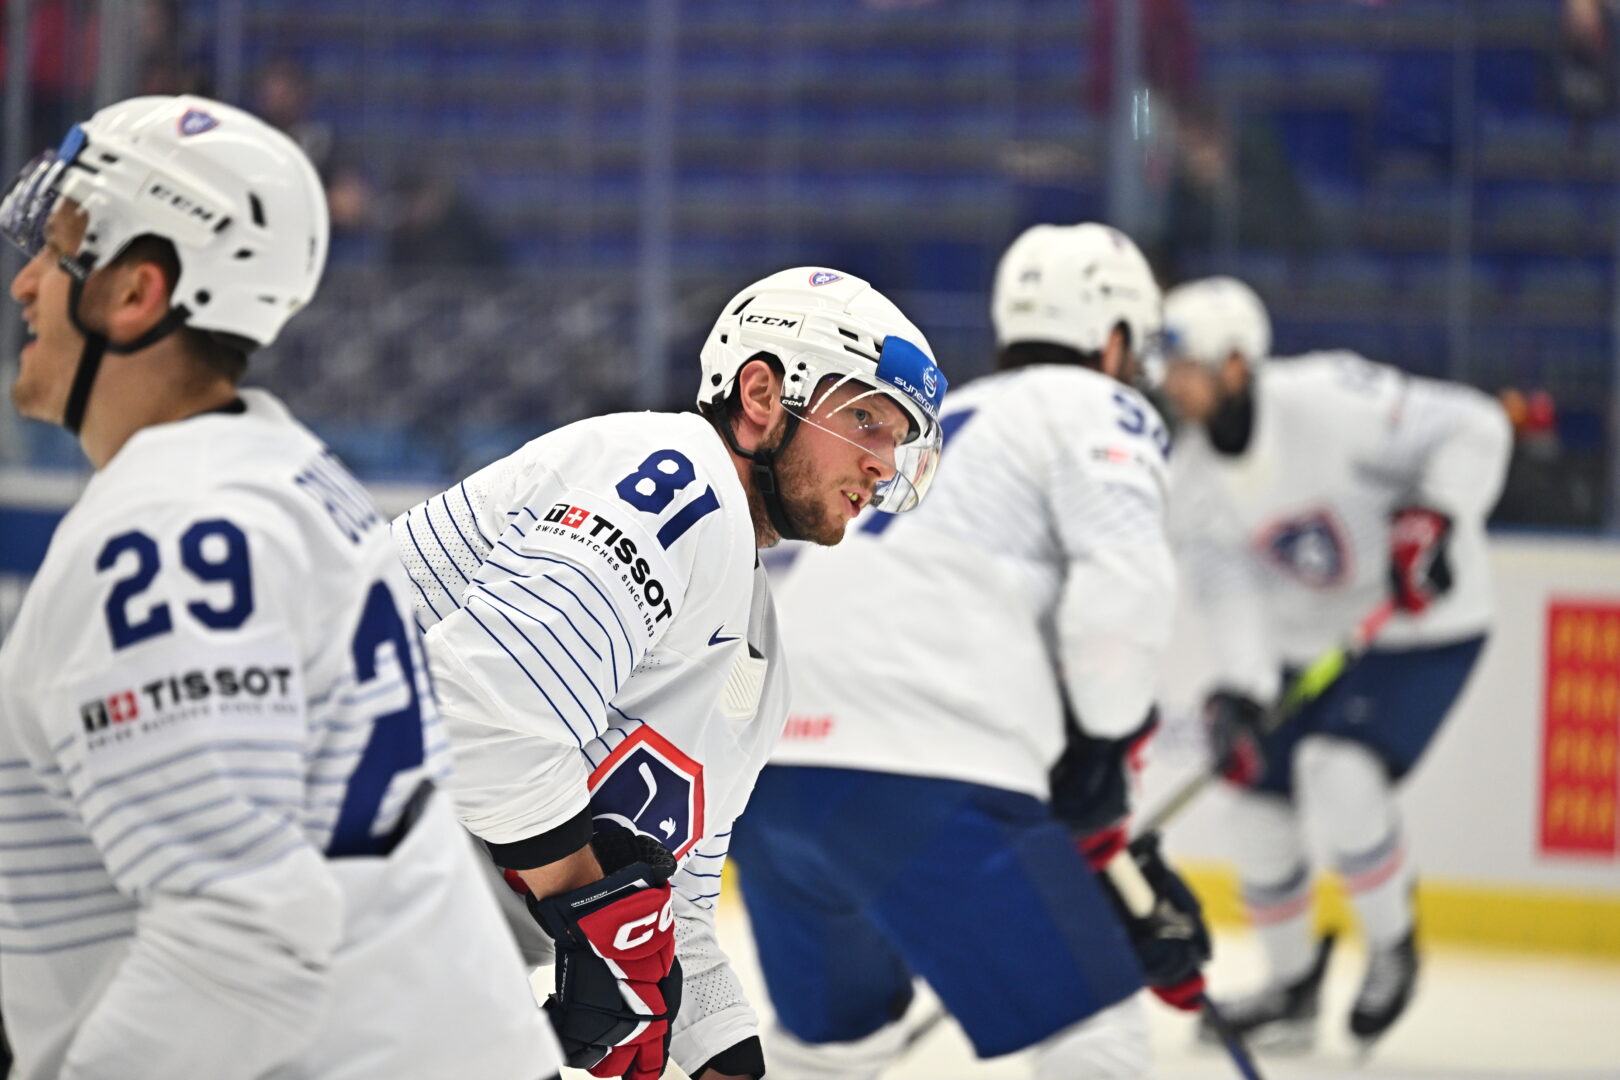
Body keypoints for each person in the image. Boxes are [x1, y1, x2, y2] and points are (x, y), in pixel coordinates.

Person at [0, 94, 561, 1080]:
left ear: (136, 293)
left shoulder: (170, 532)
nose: (25, 283)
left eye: (57, 251)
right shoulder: (277, 473)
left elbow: (239, 940)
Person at [391, 267, 950, 1080]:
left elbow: (670, 915)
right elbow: (480, 712)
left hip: (406, 942)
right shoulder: (672, 476)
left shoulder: (756, 657)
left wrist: (726, 1060)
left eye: (898, 440)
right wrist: (601, 921)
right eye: (866, 419)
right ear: (763, 394)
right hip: (289, 864)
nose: (883, 463)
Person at [729, 223, 1212, 1080]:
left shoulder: (922, 427)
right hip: (925, 771)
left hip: (774, 781)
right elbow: (1123, 593)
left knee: (831, 1052)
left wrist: (1101, 835)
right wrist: (1105, 757)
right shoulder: (1101, 408)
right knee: (1094, 1033)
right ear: (1112, 340)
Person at [1159, 276, 1512, 1051]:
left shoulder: (1329, 399)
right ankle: (1291, 989)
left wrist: (1436, 516)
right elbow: (1228, 592)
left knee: (1339, 770)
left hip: (1425, 625)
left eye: (1185, 367)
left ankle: (1392, 946)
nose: (1171, 383)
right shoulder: (1189, 482)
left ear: (1236, 365)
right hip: (1315, 645)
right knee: (1253, 795)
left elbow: (1477, 426)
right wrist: (1246, 689)